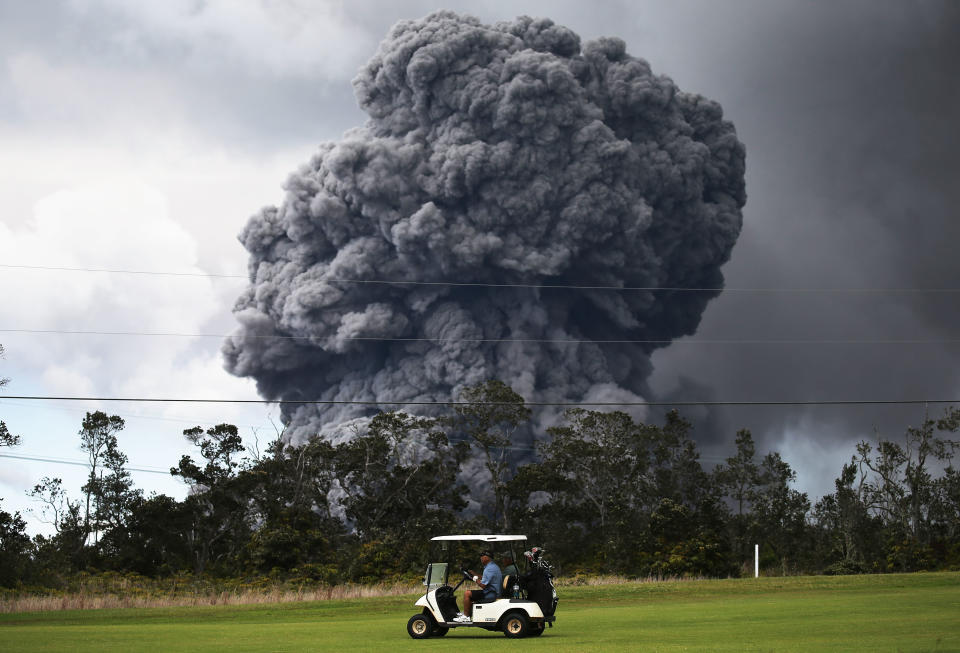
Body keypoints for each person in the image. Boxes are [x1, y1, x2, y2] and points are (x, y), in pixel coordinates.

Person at [454, 550, 502, 623]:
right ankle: (467, 614)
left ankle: (466, 617)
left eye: (482, 556)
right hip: (491, 591)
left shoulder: (489, 569)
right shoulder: (492, 566)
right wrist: (474, 574)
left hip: (490, 594)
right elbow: (484, 578)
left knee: (467, 593)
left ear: (487, 557)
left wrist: (474, 578)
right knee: (471, 594)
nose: (481, 558)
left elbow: (483, 585)